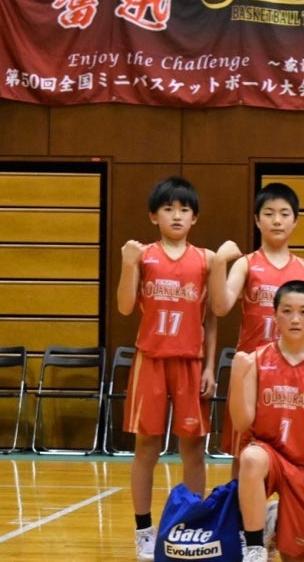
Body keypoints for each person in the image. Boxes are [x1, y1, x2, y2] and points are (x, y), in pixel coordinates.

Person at [116, 176, 217, 562]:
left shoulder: (206, 259)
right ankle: (144, 530)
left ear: (194, 217)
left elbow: (211, 319)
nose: (176, 215)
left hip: (191, 362)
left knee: (193, 450)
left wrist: (210, 366)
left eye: (184, 209)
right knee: (147, 448)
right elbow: (125, 306)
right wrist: (128, 264)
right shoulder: (142, 255)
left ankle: (193, 525)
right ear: (153, 216)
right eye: (168, 209)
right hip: (152, 360)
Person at [229, 280, 304, 562]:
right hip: (269, 455)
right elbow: (242, 424)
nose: (295, 319)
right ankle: (255, 546)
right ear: (274, 315)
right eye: (287, 311)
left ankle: (274, 519)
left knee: (295, 555)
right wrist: (237, 378)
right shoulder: (257, 360)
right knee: (251, 458)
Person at [208, 182, 304, 461]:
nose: (277, 220)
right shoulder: (246, 264)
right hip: (253, 367)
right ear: (257, 221)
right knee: (244, 450)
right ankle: (241, 494)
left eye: (284, 213)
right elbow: (220, 307)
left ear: (295, 221)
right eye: (269, 214)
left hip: (295, 370)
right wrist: (219, 262)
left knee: (292, 447)